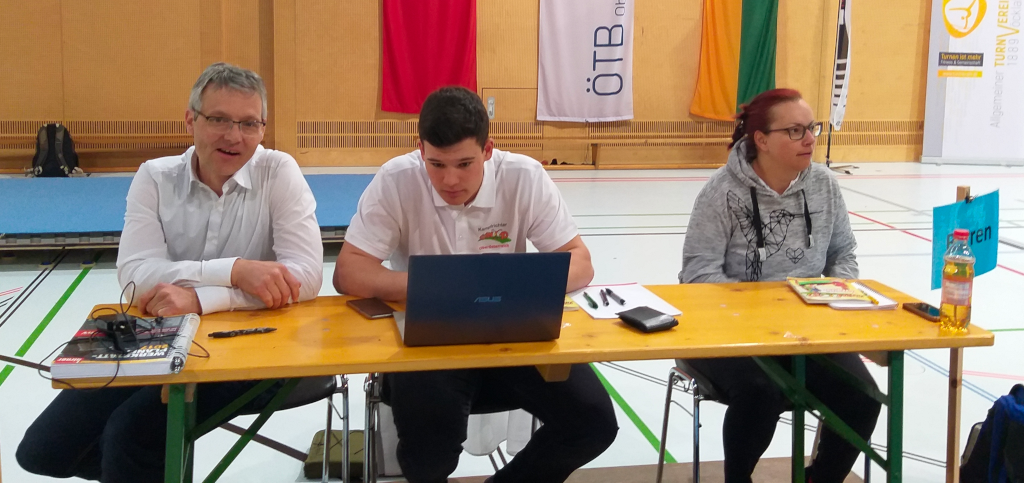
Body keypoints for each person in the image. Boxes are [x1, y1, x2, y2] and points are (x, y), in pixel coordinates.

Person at [17, 62, 323, 483]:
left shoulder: (279, 171)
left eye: (249, 123)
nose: (234, 136)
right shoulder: (155, 177)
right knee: (43, 452)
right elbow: (135, 274)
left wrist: (200, 298)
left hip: (257, 346)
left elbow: (305, 275)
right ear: (190, 120)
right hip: (159, 340)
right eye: (219, 119)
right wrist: (235, 271)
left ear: (263, 129)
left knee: (131, 436)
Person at [333, 86, 617, 483]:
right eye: (436, 164)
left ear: (487, 150)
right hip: (429, 342)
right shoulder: (397, 179)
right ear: (420, 149)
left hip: (513, 335)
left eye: (464, 164)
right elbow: (348, 272)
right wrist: (435, 287)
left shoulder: (524, 176)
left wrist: (514, 286)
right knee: (427, 456)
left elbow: (580, 262)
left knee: (593, 423)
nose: (449, 179)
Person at [678, 88, 881, 483]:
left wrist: (837, 290)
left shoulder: (823, 185)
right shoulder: (721, 192)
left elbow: (843, 252)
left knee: (862, 396)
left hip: (805, 330)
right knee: (761, 392)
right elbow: (697, 275)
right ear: (762, 140)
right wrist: (767, 311)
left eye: (811, 128)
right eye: (794, 131)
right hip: (727, 331)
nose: (809, 139)